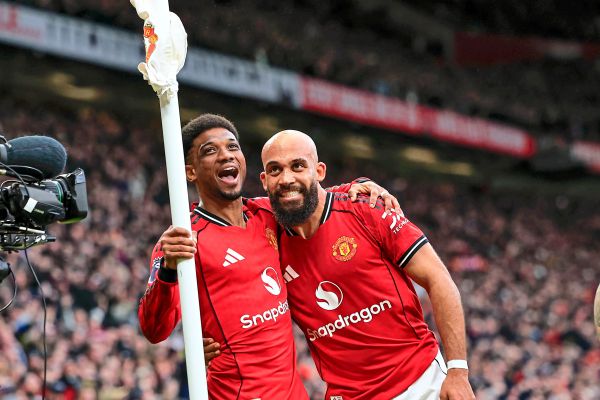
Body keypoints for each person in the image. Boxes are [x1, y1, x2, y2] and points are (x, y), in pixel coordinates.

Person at [138, 114, 398, 399]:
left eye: (232, 147)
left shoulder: (265, 214)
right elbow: (154, 330)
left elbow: (309, 196)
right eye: (210, 150)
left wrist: (357, 186)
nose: (226, 155)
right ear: (191, 172)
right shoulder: (183, 240)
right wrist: (168, 271)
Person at [257, 130, 476, 400]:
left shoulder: (366, 209)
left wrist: (458, 370)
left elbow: (438, 278)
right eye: (275, 170)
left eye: (298, 166)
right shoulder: (264, 236)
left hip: (420, 384)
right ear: (264, 180)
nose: (286, 178)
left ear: (319, 171)